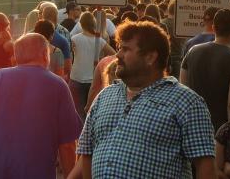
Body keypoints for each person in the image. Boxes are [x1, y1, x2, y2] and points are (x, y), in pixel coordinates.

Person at [78, 21, 217, 179]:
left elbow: (205, 166)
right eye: (119, 48)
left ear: (150, 57)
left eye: (126, 49)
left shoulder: (186, 102)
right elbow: (86, 152)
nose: (118, 55)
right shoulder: (105, 96)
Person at [0, 34, 81, 179]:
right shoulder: (58, 85)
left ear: (16, 56)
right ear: (45, 55)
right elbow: (68, 145)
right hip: (36, 170)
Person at [181, 9, 230, 131]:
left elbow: (183, 88)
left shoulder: (192, 51)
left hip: (192, 124)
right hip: (219, 128)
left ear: (213, 27)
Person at [69, 12, 115, 116]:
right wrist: (102, 62)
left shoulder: (74, 39)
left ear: (81, 24)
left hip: (76, 77)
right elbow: (114, 55)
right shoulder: (99, 41)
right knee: (92, 111)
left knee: (77, 112)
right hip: (93, 79)